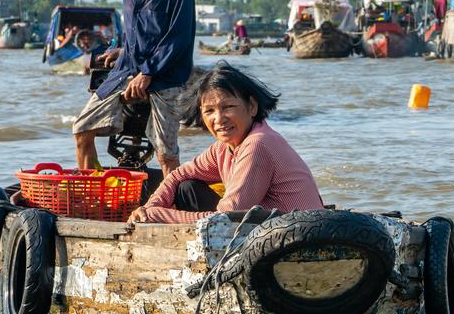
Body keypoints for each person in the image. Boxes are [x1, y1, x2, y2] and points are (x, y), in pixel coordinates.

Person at [72, 0, 195, 176]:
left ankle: (166, 207)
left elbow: (179, 37)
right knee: (82, 130)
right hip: (126, 69)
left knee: (166, 153)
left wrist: (148, 72)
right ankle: (94, 191)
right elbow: (137, 23)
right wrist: (123, 49)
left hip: (166, 76)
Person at [128, 63, 325, 224]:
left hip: (297, 235)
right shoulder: (223, 148)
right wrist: (149, 207)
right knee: (186, 187)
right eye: (209, 111)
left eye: (228, 107)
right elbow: (178, 175)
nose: (219, 119)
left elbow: (226, 218)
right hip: (269, 227)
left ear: (252, 106)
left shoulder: (258, 144)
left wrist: (158, 216)